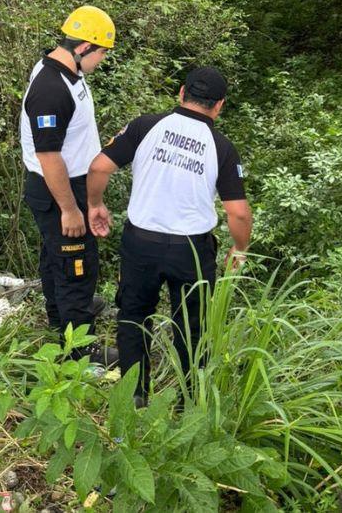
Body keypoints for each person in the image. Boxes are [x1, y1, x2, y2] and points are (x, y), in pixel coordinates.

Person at [86, 67, 253, 404]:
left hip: (141, 241)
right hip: (191, 250)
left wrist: (95, 205)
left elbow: (99, 167)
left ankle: (134, 397)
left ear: (181, 93)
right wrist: (240, 248)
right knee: (193, 326)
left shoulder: (145, 126)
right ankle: (189, 400)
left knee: (133, 316)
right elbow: (238, 212)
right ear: (219, 105)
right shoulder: (222, 147)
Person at [19, 5, 118, 365]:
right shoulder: (50, 88)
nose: (103, 59)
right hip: (57, 189)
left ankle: (62, 318)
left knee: (56, 257)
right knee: (77, 263)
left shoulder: (67, 72)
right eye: (103, 52)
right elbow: (49, 157)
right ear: (85, 47)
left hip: (70, 184)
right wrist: (70, 209)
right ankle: (80, 349)